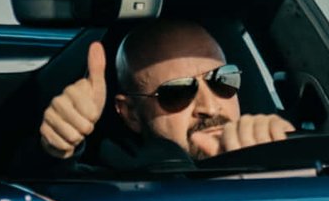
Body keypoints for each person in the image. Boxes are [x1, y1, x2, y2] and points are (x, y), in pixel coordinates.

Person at [36, 19, 293, 168]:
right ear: (131, 114)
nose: (210, 107)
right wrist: (57, 151)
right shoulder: (119, 195)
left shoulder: (300, 171)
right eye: (177, 91)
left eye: (223, 81)